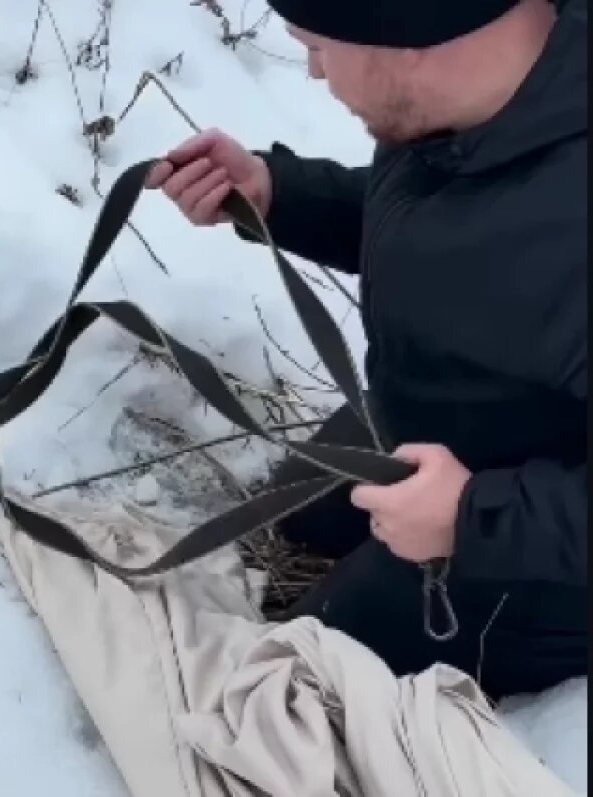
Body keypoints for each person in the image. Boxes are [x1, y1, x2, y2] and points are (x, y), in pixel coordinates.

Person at [146, 0, 587, 700]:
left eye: (318, 46)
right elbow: (449, 231)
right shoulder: (483, 94)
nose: (316, 73)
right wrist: (278, 193)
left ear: (410, 39)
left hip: (541, 561)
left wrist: (472, 516)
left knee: (292, 670)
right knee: (297, 510)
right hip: (439, 417)